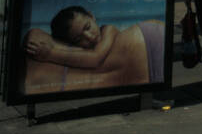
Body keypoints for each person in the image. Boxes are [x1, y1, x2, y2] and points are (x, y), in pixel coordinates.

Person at [23, 8, 165, 93]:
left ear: (92, 16)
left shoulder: (108, 30)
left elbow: (95, 58)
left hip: (152, 40)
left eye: (87, 27)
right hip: (149, 66)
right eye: (79, 39)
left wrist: (51, 54)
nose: (89, 37)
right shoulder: (82, 50)